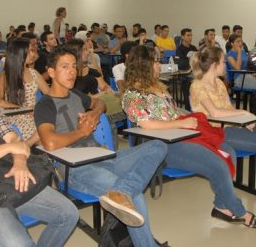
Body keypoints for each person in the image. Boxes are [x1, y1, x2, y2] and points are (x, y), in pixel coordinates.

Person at [34, 46, 167, 247]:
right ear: (51, 72)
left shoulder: (76, 95)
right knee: (134, 197)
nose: (72, 71)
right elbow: (49, 142)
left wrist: (94, 113)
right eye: (65, 67)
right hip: (77, 169)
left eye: (73, 66)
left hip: (104, 157)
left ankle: (122, 190)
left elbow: (100, 104)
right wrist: (81, 132)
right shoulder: (45, 104)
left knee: (157, 145)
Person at [122, 45, 256, 229]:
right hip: (163, 146)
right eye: (156, 61)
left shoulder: (157, 87)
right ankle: (239, 211)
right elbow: (148, 125)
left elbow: (171, 113)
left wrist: (184, 120)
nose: (159, 65)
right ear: (144, 65)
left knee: (228, 151)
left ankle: (221, 206)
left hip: (181, 135)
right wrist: (180, 123)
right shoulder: (132, 95)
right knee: (219, 164)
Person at [0, 63, 79, 247]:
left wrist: (19, 163)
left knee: (68, 214)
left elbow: (17, 142)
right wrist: (7, 149)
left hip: (8, 180)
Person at [190, 47, 256, 208]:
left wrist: (247, 121)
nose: (225, 65)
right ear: (214, 65)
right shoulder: (197, 85)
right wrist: (244, 113)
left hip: (234, 125)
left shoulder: (219, 83)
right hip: (218, 131)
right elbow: (215, 113)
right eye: (223, 62)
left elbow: (229, 109)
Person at [0, 38, 50, 146]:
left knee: (53, 125)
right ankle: (30, 146)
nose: (32, 54)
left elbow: (49, 95)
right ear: (19, 54)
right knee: (44, 133)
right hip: (18, 114)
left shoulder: (33, 73)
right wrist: (24, 109)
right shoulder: (6, 75)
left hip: (34, 113)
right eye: (29, 51)